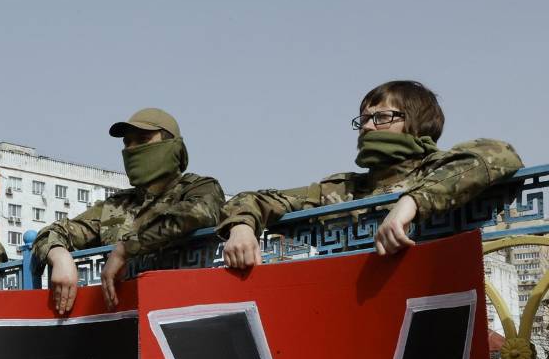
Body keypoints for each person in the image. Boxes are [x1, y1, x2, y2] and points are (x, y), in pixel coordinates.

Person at [220, 80, 525, 268]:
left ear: (417, 124)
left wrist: (411, 203)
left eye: (381, 117)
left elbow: (501, 154)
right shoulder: (344, 189)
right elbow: (254, 198)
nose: (367, 127)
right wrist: (242, 227)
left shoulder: (437, 168)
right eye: (363, 119)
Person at [31, 108, 225, 315]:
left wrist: (126, 248)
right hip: (123, 317)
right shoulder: (116, 206)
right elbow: (54, 232)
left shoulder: (198, 188)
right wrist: (60, 257)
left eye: (142, 140)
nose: (132, 149)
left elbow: (197, 213)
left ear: (173, 147)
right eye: (127, 143)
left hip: (186, 313)